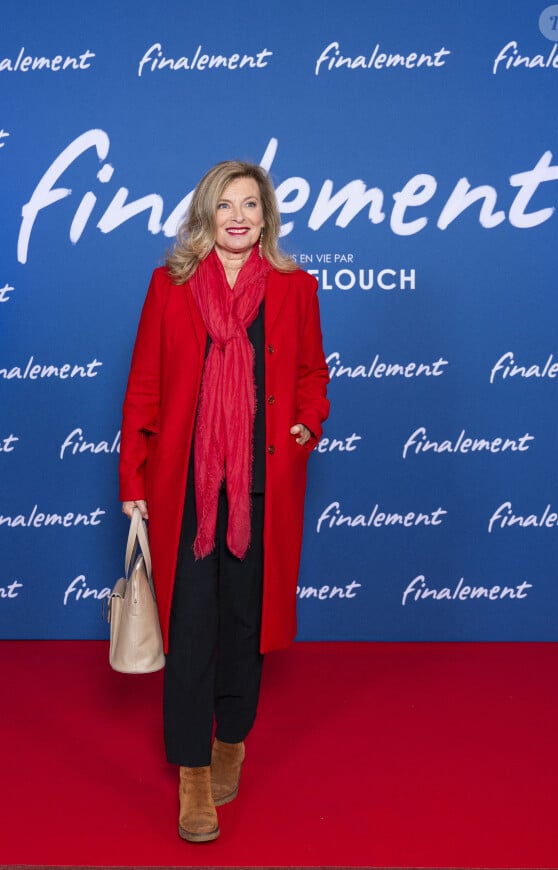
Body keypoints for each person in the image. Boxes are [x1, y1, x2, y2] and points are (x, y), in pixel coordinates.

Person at [119, 160, 330, 843]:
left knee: (245, 626)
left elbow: (311, 373)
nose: (238, 217)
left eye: (250, 205)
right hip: (185, 490)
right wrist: (133, 484)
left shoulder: (296, 289)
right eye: (225, 205)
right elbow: (145, 386)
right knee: (191, 635)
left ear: (266, 217)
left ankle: (231, 739)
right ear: (206, 215)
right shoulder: (170, 285)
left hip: (261, 488)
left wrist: (308, 420)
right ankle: (193, 773)